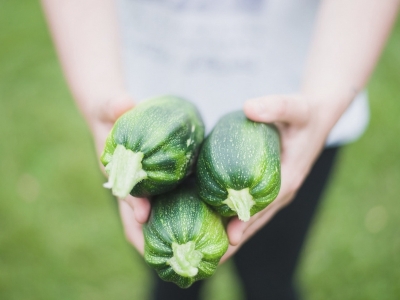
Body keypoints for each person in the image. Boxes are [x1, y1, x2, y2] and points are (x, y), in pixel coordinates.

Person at [41, 0, 399, 299]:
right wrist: (96, 92)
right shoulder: (131, 145)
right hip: (141, 107)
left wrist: (326, 103)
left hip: (301, 108)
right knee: (170, 283)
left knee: (271, 278)